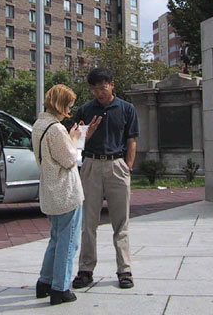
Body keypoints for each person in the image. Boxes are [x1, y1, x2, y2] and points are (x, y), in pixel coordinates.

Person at [31, 84, 100, 306]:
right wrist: (76, 138)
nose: (70, 110)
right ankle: (60, 288)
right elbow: (70, 159)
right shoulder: (55, 129)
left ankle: (45, 281)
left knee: (56, 238)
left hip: (50, 190)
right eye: (69, 105)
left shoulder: (39, 125)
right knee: (68, 242)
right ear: (61, 104)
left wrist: (71, 137)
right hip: (65, 191)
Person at [72, 67, 139, 290]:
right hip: (91, 164)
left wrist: (127, 166)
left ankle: (124, 269)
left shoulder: (127, 109)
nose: (98, 93)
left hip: (117, 165)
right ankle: (85, 269)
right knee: (88, 222)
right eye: (94, 89)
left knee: (121, 222)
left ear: (112, 85)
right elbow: (74, 140)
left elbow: (132, 139)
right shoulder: (85, 110)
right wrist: (86, 133)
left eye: (102, 88)